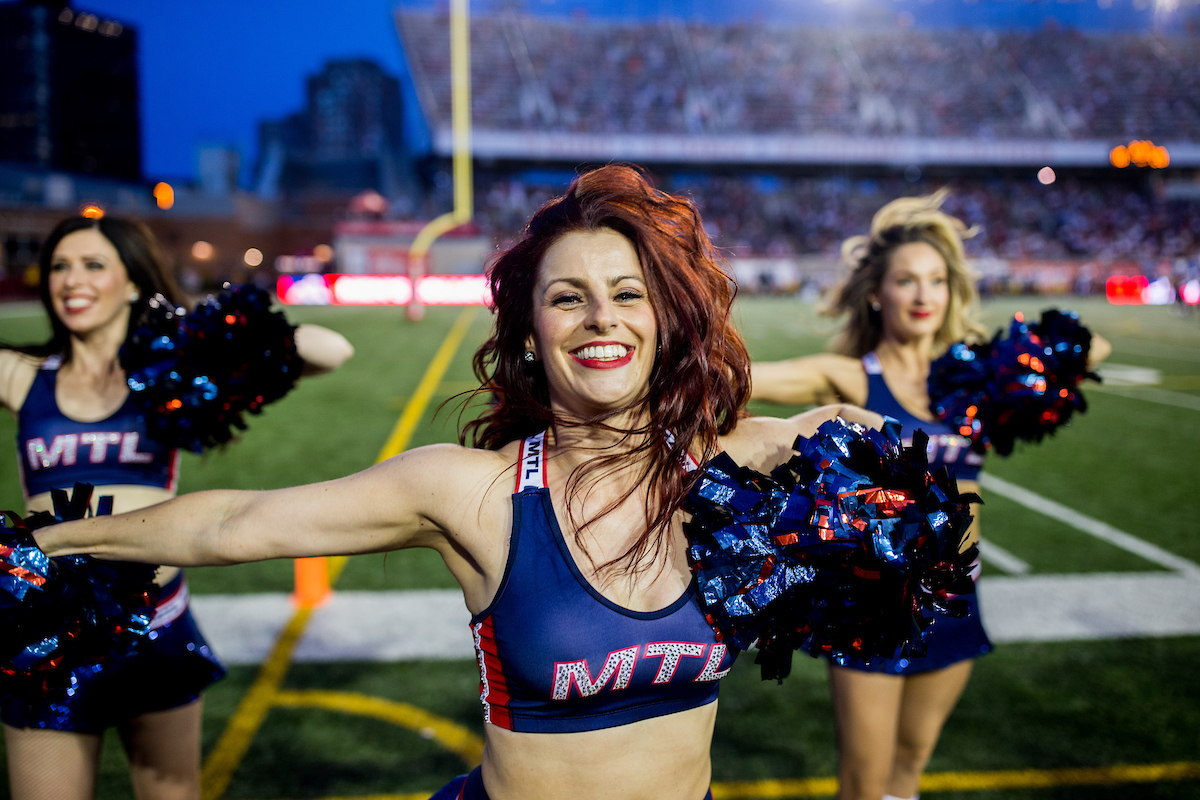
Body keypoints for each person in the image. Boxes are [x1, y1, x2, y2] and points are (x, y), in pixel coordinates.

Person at [35, 167, 881, 800]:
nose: (602, 317)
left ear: (664, 320)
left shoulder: (734, 468)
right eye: (568, 298)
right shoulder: (473, 493)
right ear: (530, 334)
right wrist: (48, 542)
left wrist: (884, 469)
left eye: (628, 293)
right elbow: (235, 524)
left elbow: (895, 470)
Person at [751, 190, 1110, 800]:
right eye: (906, 280)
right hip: (875, 603)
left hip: (957, 596)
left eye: (937, 280)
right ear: (876, 293)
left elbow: (1093, 349)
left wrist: (1007, 361)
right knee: (864, 783)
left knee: (909, 768)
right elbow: (746, 381)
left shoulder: (972, 381)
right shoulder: (851, 377)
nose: (924, 295)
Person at [0, 216, 354, 800]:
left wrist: (201, 330)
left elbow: (331, 350)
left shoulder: (169, 373)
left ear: (133, 283)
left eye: (93, 265)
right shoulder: (23, 375)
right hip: (48, 636)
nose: (71, 280)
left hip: (155, 621)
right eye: (60, 266)